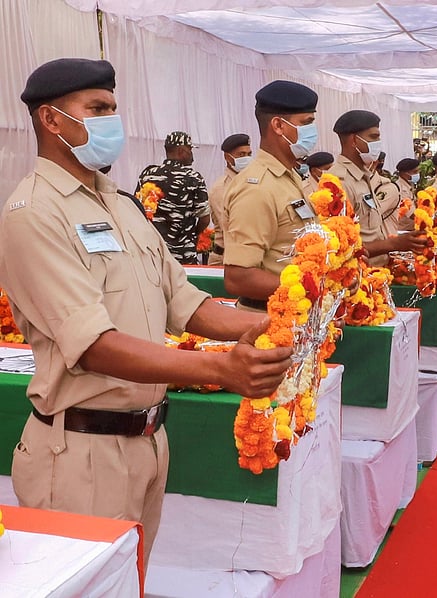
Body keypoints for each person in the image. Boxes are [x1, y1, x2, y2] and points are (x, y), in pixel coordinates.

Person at [0, 58, 292, 566]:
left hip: (148, 440)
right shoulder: (35, 213)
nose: (112, 120)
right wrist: (220, 368)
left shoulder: (121, 205)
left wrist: (278, 325)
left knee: (130, 580)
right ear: (50, 119)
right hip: (82, 452)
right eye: (97, 108)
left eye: (113, 108)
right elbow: (94, 346)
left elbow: (187, 304)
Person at [223, 80, 320, 311]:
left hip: (298, 315)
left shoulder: (290, 176)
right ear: (278, 125)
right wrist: (310, 289)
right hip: (269, 318)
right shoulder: (257, 188)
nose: (312, 131)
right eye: (306, 123)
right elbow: (238, 277)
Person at [328, 109, 426, 265]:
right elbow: (339, 247)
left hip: (378, 269)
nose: (378, 142)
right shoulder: (338, 182)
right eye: (374, 137)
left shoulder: (363, 176)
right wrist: (394, 244)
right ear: (354, 140)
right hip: (358, 274)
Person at [137, 131, 210, 264]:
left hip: (153, 253)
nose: (192, 154)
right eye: (190, 149)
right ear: (181, 151)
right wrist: (191, 234)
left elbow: (137, 209)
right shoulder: (194, 178)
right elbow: (204, 219)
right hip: (183, 256)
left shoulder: (148, 175)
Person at [208, 133, 252, 266]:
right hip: (225, 259)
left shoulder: (253, 182)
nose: (246, 158)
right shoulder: (221, 188)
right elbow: (230, 228)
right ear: (227, 157)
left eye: (249, 154)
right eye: (241, 155)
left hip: (249, 256)